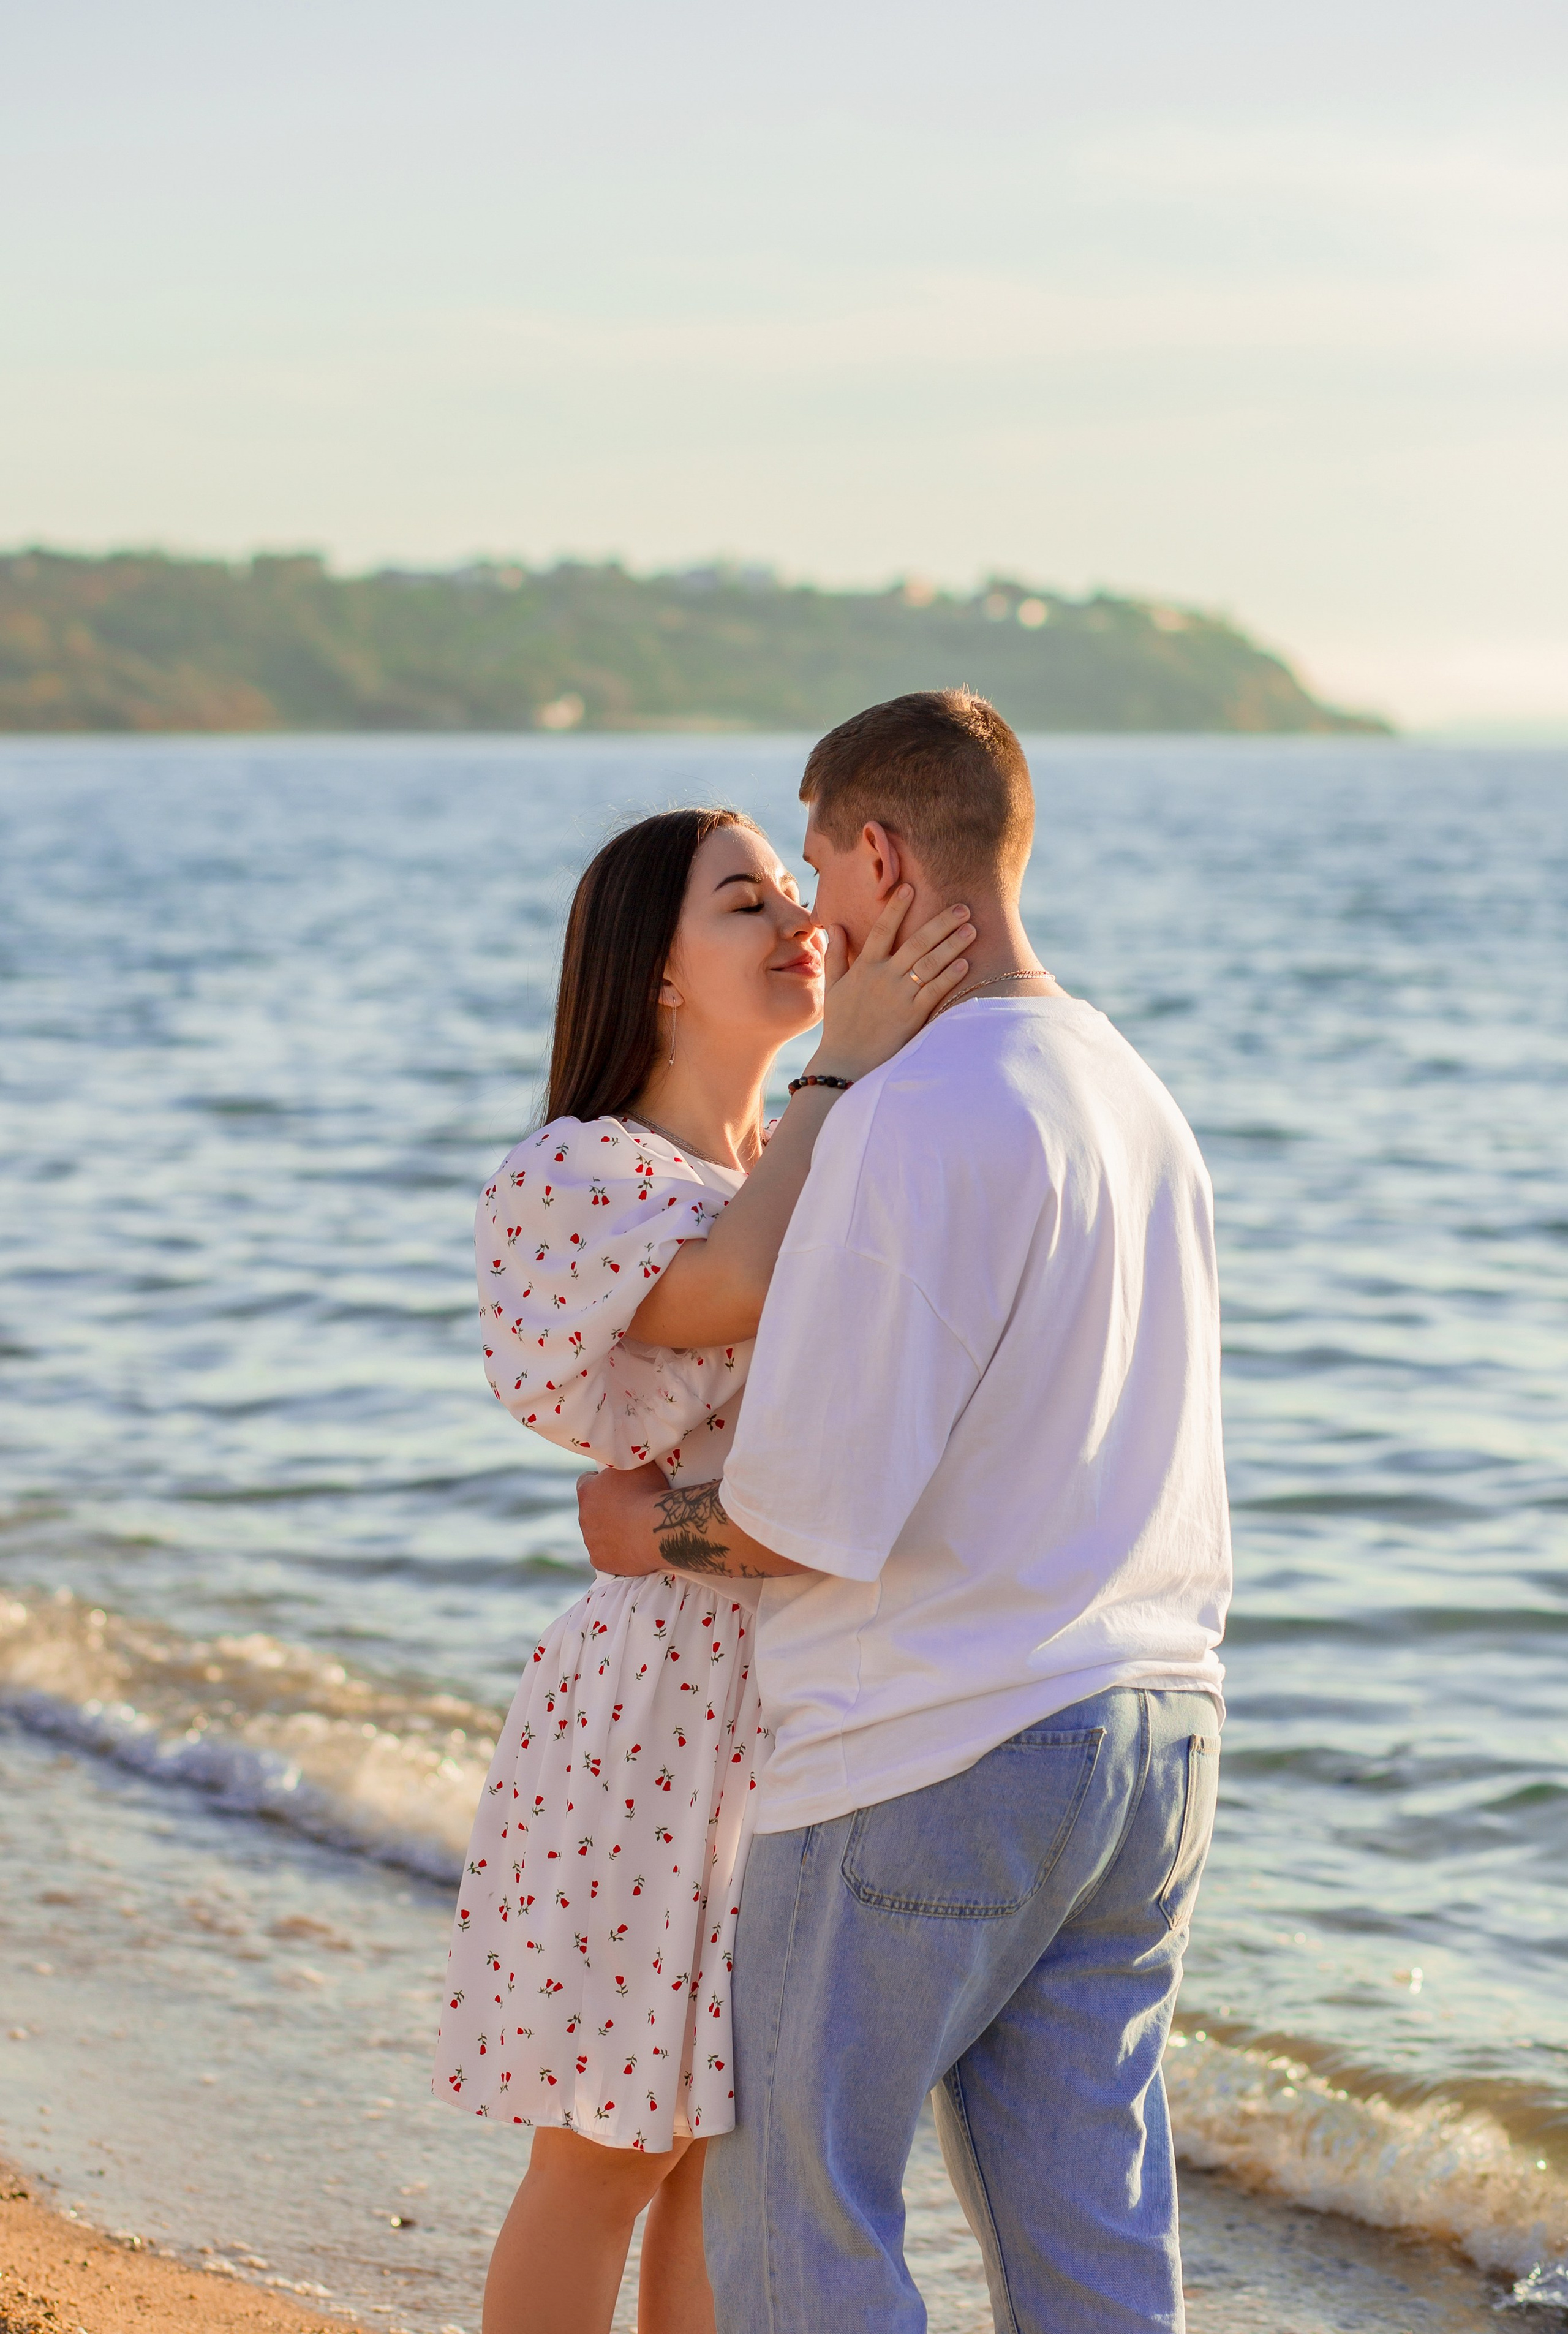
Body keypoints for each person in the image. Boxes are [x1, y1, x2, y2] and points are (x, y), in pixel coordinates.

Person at [579, 691, 1234, 2334]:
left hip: (927, 1747)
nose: (813, 913)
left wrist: (647, 1529)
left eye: (818, 868)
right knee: (1089, 2235)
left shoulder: (912, 1112)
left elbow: (806, 1512)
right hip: (1153, 1734)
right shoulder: (1134, 1095)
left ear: (884, 855)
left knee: (803, 2217)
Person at [432, 803, 976, 2334]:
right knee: (613, 2142)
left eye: (800, 896)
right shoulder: (582, 1171)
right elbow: (721, 1287)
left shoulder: (825, 1143)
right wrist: (841, 1054)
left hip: (810, 1687)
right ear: (657, 976)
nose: (798, 925)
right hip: (663, 1700)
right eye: (747, 903)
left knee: (724, 2162)